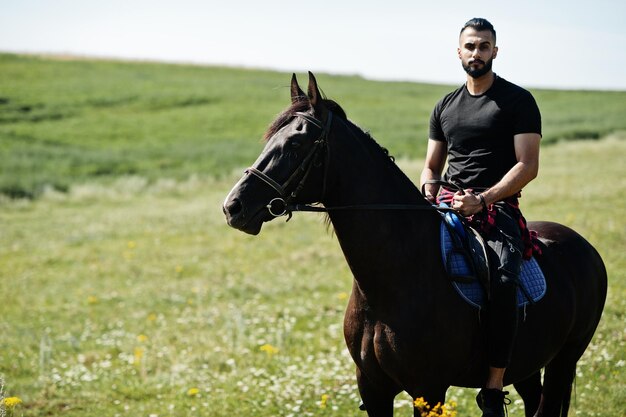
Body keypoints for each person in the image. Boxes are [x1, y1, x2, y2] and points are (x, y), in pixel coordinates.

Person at [419, 18, 542, 417]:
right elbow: (432, 167)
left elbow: (527, 165)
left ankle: (492, 387)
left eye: (484, 46)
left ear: (495, 52)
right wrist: (428, 192)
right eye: (470, 46)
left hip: (497, 207)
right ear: (459, 52)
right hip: (449, 203)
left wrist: (484, 199)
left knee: (504, 276)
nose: (476, 53)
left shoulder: (518, 101)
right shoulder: (445, 106)